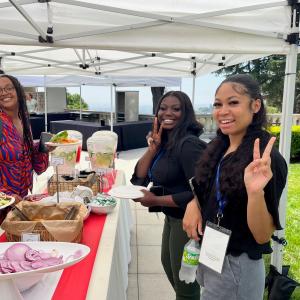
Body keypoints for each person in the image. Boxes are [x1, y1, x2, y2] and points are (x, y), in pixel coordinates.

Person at [182, 74, 288, 300]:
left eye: (233, 102)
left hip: (236, 266)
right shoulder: (219, 146)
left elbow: (261, 236)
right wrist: (194, 204)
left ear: (255, 105)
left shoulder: (266, 161)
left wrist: (255, 192)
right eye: (218, 104)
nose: (222, 111)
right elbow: (206, 190)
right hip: (211, 253)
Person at [131, 91, 206, 300]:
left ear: (186, 113)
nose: (168, 113)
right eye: (163, 108)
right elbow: (138, 178)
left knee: (186, 284)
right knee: (169, 267)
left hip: (189, 223)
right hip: (172, 218)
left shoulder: (189, 144)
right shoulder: (165, 142)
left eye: (176, 108)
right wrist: (153, 148)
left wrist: (155, 200)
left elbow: (202, 192)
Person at [0, 75, 49, 203]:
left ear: (18, 91)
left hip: (19, 204)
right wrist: (5, 196)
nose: (4, 93)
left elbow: (36, 166)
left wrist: (44, 146)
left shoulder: (24, 120)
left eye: (8, 88)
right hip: (3, 204)